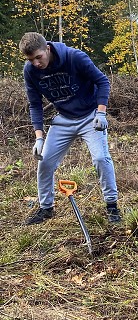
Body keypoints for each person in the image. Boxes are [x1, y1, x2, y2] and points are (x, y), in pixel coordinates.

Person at [19, 32, 121, 225]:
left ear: (47, 49)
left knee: (100, 158)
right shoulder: (30, 71)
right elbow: (35, 104)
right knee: (45, 162)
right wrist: (38, 137)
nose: (36, 63)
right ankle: (46, 208)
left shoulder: (74, 57)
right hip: (64, 119)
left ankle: (112, 206)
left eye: (38, 57)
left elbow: (102, 81)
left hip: (90, 116)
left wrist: (101, 113)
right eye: (30, 60)